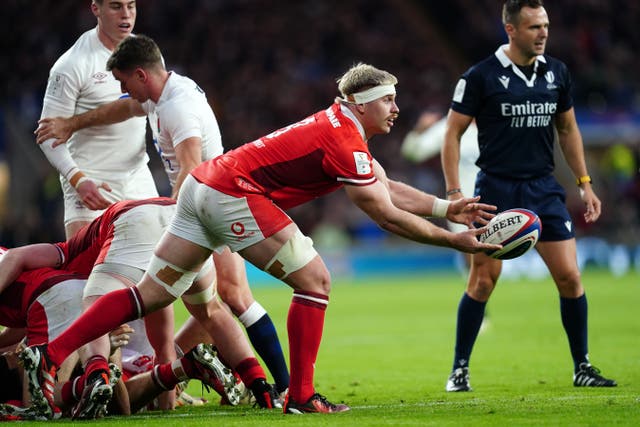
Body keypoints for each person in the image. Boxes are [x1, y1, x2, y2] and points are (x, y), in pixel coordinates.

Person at [19, 62, 501, 415]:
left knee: (148, 295)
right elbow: (385, 214)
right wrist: (455, 241)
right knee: (315, 281)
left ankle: (52, 351)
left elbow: (387, 187)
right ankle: (303, 396)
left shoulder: (338, 125)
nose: (397, 108)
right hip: (232, 195)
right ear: (360, 102)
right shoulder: (343, 137)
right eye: (388, 100)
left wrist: (445, 208)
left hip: (201, 189)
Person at [35, 34, 290, 398]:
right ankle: (250, 382)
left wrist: (170, 223)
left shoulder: (177, 108)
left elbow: (190, 169)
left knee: (203, 298)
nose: (123, 91)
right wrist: (73, 124)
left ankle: (274, 385)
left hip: (213, 208)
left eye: (124, 82)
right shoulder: (159, 97)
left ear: (141, 75)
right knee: (216, 302)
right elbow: (122, 109)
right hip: (209, 206)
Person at [441, 0, 616, 392]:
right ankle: (459, 369)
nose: (543, 33)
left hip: (543, 189)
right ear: (511, 30)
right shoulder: (479, 77)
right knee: (482, 282)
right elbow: (451, 133)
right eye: (535, 27)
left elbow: (568, 130)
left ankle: (582, 367)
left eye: (546, 26)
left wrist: (584, 182)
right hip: (495, 191)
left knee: (570, 277)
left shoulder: (557, 73)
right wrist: (455, 192)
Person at [4, 198, 275, 419]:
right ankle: (261, 386)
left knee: (93, 311)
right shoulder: (77, 266)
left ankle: (96, 374)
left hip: (129, 224)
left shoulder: (73, 258)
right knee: (212, 311)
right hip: (179, 214)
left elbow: (22, 260)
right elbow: (162, 337)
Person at [36, 0, 158, 239]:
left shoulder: (147, 54)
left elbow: (157, 108)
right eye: (116, 6)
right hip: (90, 183)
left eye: (131, 6)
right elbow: (46, 136)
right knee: (86, 272)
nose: (126, 15)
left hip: (137, 178)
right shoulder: (71, 64)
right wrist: (78, 180)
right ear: (95, 9)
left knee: (161, 267)